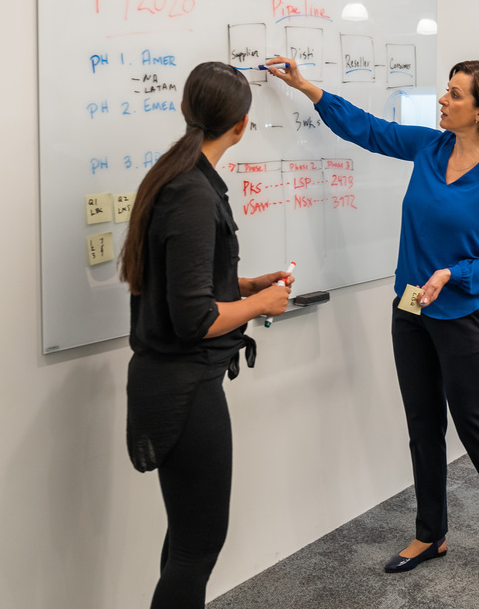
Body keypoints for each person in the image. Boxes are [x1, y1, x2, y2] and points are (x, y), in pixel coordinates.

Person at [265, 55, 479, 591]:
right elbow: (369, 129)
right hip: (410, 312)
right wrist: (307, 88)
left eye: (456, 94)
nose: (443, 99)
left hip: (465, 319)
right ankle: (430, 533)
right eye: (448, 90)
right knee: (422, 428)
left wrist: (453, 274)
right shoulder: (428, 147)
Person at [120, 62, 295, 609]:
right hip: (183, 387)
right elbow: (194, 318)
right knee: (198, 547)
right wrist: (261, 304)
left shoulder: (177, 179)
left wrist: (245, 284)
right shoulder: (193, 193)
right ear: (242, 125)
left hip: (173, 381)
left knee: (187, 541)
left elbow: (187, 288)